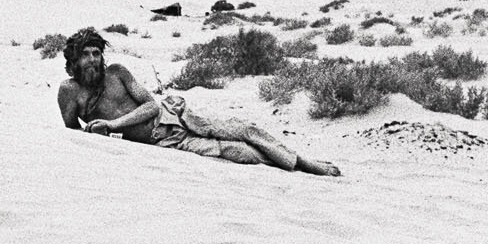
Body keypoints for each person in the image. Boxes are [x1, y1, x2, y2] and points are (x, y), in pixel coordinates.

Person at [56, 27, 340, 176]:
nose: (93, 59)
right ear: (74, 60)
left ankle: (304, 162)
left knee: (242, 129)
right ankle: (285, 163)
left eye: (96, 53)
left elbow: (151, 105)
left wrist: (113, 123)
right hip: (163, 141)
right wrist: (100, 132)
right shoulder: (69, 92)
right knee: (240, 153)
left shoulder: (117, 73)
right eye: (86, 54)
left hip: (174, 116)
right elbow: (75, 137)